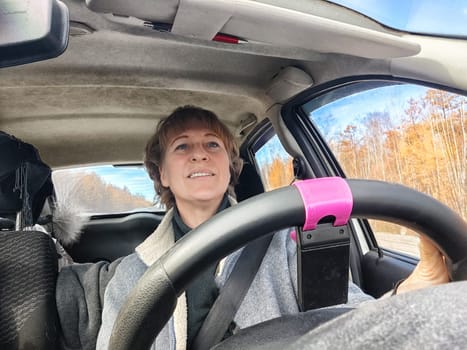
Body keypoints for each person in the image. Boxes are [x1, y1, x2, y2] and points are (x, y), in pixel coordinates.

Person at [56, 105, 454, 350]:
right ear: (161, 174)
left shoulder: (284, 240)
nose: (200, 154)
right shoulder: (133, 275)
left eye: (213, 144)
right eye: (182, 146)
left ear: (230, 165)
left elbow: (344, 319)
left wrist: (406, 297)